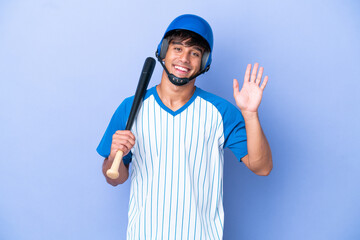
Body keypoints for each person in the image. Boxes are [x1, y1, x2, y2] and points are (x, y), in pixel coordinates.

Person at [97, 14, 272, 240]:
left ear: (205, 62)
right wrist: (113, 157)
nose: (185, 59)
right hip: (144, 234)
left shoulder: (220, 111)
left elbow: (262, 167)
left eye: (195, 53)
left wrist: (250, 114)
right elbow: (114, 178)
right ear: (163, 51)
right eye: (178, 49)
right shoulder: (131, 108)